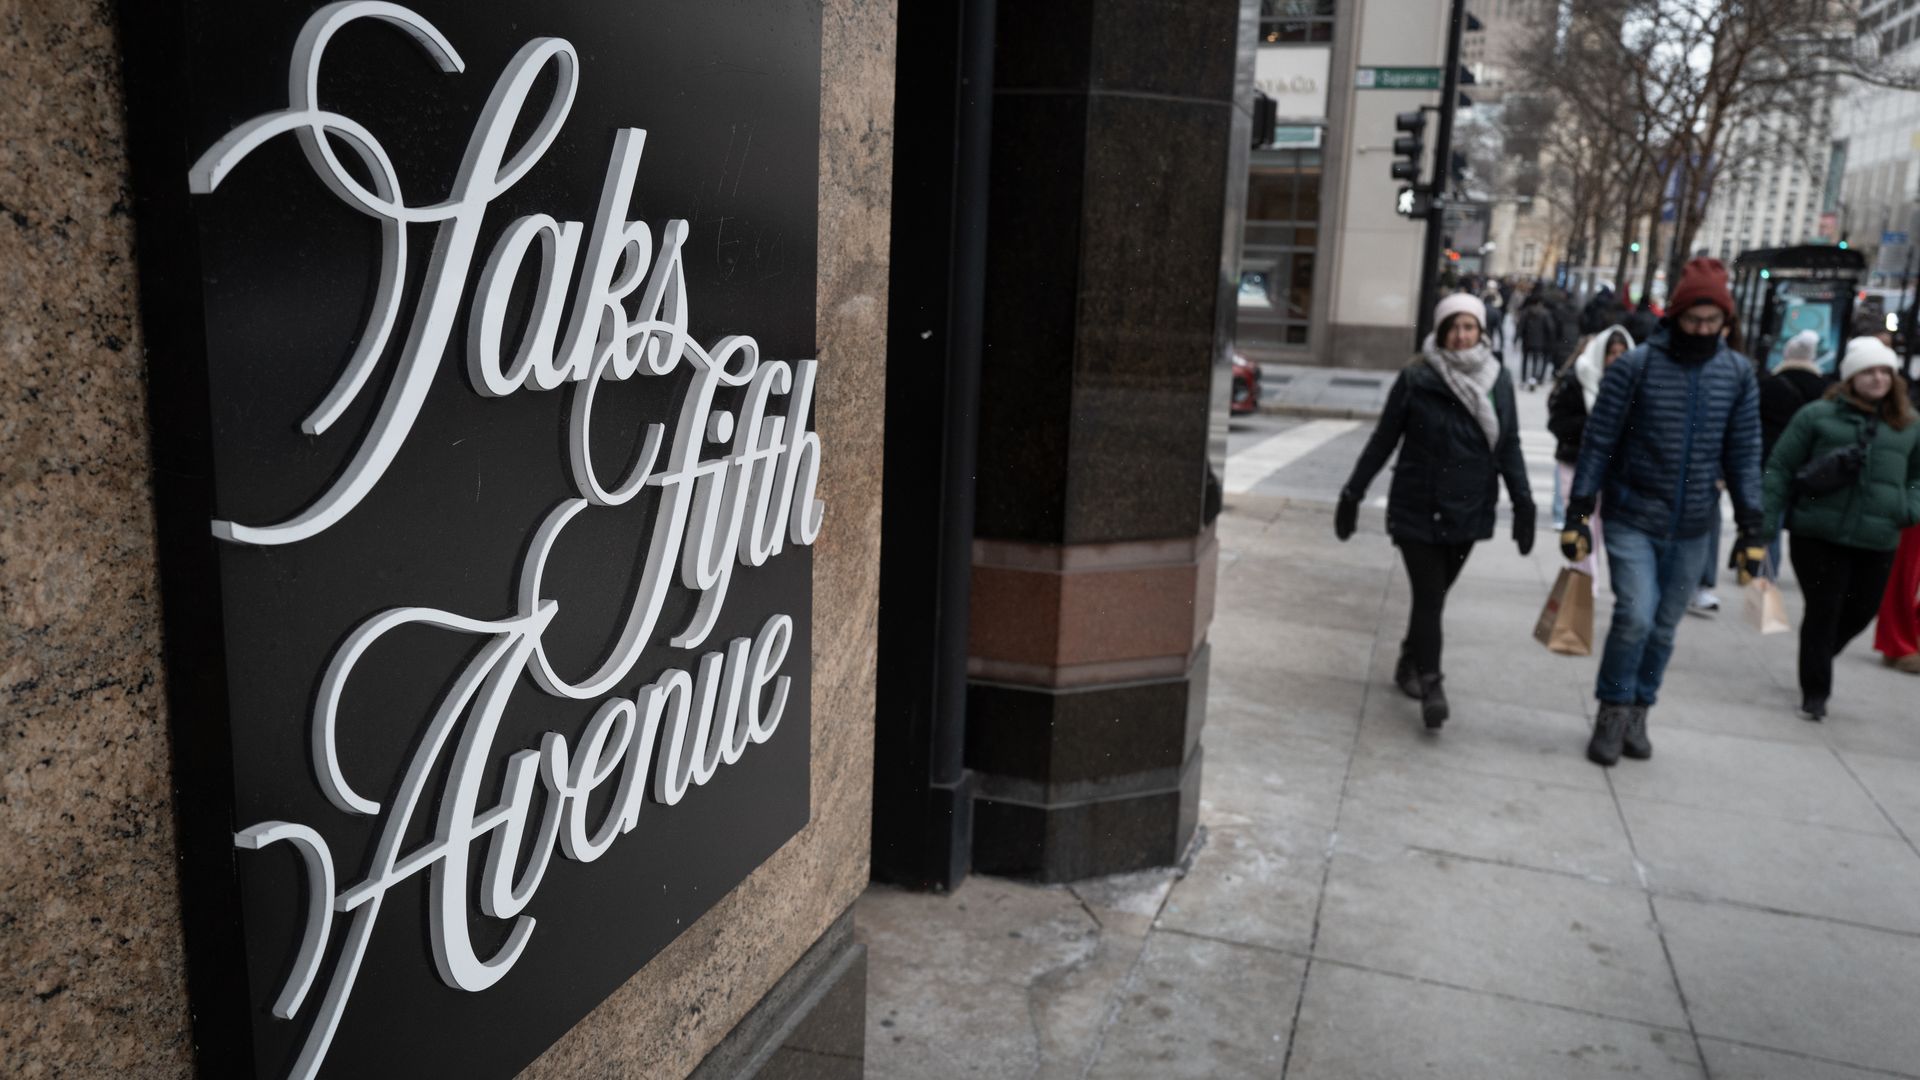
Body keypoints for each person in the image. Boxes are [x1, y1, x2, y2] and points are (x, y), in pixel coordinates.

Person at [1562, 257, 1765, 766]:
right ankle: (1612, 708)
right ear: (1675, 315)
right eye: (1693, 319)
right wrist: (1579, 513)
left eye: (1712, 321)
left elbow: (1743, 454)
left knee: (1664, 627)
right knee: (1634, 615)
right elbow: (1599, 442)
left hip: (1694, 525)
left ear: (1726, 321)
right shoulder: (1635, 367)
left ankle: (1640, 708)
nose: (1702, 330)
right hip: (1633, 513)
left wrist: (1751, 527)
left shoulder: (1737, 374)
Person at [1335, 293, 1535, 730]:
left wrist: (1524, 503)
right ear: (1441, 332)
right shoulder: (1416, 377)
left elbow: (1509, 445)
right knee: (1429, 597)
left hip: (1469, 508)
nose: (1461, 336)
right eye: (1453, 328)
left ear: (1481, 332)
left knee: (1435, 596)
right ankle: (1432, 683)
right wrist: (1353, 492)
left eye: (1469, 327)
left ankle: (1410, 659)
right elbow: (1384, 439)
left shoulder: (1498, 380)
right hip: (1417, 505)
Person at [1763, 336, 1920, 717]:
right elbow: (1780, 467)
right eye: (1869, 371)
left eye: (1885, 371)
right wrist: (1764, 523)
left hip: (1878, 537)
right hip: (1817, 533)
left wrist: (1908, 508)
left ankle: (1817, 656)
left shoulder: (1908, 424)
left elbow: (1918, 476)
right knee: (1824, 609)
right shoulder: (1816, 415)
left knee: (1862, 611)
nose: (1878, 378)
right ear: (1850, 377)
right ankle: (1815, 692)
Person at [1549, 326, 1633, 584]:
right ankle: (1586, 585)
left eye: (1622, 353)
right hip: (1576, 462)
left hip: (1614, 469)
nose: (1616, 359)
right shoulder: (1579, 379)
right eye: (1612, 353)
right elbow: (1558, 421)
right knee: (1584, 526)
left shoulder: (1634, 385)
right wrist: (1594, 426)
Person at [1758, 329, 1833, 567]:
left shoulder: (1769, 384)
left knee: (1773, 511)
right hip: (1809, 463)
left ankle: (1767, 566)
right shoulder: (1824, 389)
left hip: (1771, 457)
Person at [1518, 295, 1557, 392]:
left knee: (1525, 360)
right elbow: (1550, 328)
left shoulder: (1526, 312)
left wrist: (1517, 338)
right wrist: (1550, 340)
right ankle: (1533, 380)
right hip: (1539, 342)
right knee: (1535, 361)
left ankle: (1523, 379)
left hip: (1526, 340)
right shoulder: (1545, 313)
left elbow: (1520, 326)